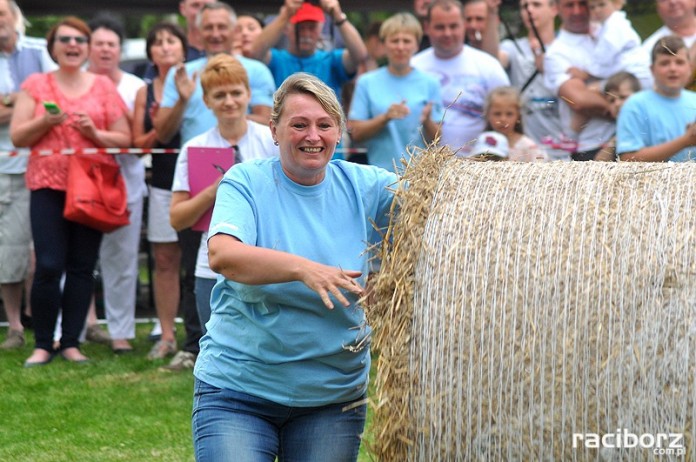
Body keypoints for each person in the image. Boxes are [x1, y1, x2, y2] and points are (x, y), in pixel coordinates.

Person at [192, 72, 396, 461]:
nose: (312, 136)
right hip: (239, 390)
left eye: (325, 125)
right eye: (298, 125)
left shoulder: (366, 186)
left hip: (331, 397)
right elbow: (222, 254)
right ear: (273, 129)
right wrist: (305, 269)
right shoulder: (246, 180)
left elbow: (437, 206)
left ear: (340, 132)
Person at [10, 16, 131, 366]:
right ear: (53, 46)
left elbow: (125, 139)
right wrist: (44, 122)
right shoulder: (36, 84)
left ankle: (72, 343)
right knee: (48, 264)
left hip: (91, 186)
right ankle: (43, 343)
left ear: (88, 46)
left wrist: (95, 132)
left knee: (82, 266)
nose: (73, 45)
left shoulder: (104, 86)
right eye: (65, 39)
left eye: (80, 39)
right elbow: (18, 137)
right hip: (48, 183)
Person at [169, 54, 277, 356]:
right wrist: (213, 192)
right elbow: (177, 219)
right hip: (211, 267)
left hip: (267, 256)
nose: (229, 101)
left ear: (248, 94)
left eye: (235, 93)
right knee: (218, 350)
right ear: (206, 101)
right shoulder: (194, 148)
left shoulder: (272, 142)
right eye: (220, 95)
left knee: (266, 348)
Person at [80, 16, 147, 353]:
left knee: (122, 261)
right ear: (88, 48)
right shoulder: (74, 82)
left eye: (111, 44)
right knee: (77, 259)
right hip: (79, 186)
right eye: (99, 43)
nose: (105, 50)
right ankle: (80, 327)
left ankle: (121, 332)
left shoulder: (135, 86)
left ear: (120, 50)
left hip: (125, 184)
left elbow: (137, 141)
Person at [0, 0, 55, 349]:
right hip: (5, 167)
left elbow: (53, 101)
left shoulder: (40, 51)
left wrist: (12, 103)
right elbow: (37, 105)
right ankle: (15, 325)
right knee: (8, 249)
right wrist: (23, 101)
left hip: (34, 166)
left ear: (16, 17)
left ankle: (32, 322)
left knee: (38, 251)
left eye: (2, 12)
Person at [132, 22, 188, 359]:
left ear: (184, 48)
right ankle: (166, 335)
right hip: (164, 181)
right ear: (151, 52)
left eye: (172, 41)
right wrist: (161, 127)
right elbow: (139, 143)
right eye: (158, 42)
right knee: (165, 259)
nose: (165, 47)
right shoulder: (145, 90)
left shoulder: (197, 79)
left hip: (201, 180)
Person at [155, 1, 275, 145]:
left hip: (245, 160)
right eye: (208, 28)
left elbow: (267, 122)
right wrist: (182, 101)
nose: (215, 34)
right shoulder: (181, 74)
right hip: (200, 159)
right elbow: (162, 135)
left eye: (222, 27)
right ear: (199, 33)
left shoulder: (257, 70)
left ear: (234, 30)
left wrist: (229, 117)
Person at [348, 12, 443, 171]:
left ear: (416, 45)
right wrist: (385, 118)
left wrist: (426, 120)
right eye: (394, 41)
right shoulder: (366, 82)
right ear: (384, 45)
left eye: (406, 41)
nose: (400, 47)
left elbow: (438, 139)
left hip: (420, 178)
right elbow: (355, 134)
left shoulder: (431, 83)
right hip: (378, 176)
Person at [412, 0, 509, 154]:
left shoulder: (488, 66)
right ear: (426, 27)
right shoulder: (413, 67)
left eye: (453, 26)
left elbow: (509, 115)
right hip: (423, 166)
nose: (447, 33)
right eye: (440, 27)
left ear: (464, 25)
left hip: (477, 165)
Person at [482, 0, 569, 159]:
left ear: (554, 9)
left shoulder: (566, 49)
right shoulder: (512, 47)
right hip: (523, 152)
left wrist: (551, 71)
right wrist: (492, 12)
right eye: (524, 6)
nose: (529, 10)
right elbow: (490, 60)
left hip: (560, 151)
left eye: (536, 5)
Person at [249, 0, 368, 99]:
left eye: (312, 28)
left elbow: (360, 55)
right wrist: (285, 15)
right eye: (300, 28)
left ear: (320, 29)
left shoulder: (331, 60)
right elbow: (255, 52)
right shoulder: (276, 59)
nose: (306, 33)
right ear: (286, 29)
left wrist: (338, 15)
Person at [543, 0, 613, 161]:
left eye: (582, 4)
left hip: (627, 139)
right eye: (569, 5)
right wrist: (625, 109)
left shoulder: (609, 37)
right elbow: (579, 101)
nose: (577, 11)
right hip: (590, 147)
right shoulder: (556, 53)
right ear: (557, 8)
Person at [617, 36, 696, 162]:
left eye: (679, 62)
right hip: (652, 181)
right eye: (665, 63)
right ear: (652, 70)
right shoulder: (635, 105)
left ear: (690, 68)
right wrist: (685, 141)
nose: (673, 69)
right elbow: (627, 159)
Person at [483, 86, 547, 161]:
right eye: (497, 114)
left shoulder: (527, 147)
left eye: (509, 114)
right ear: (488, 115)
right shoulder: (483, 142)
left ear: (518, 116)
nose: (503, 119)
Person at [594, 70, 641, 161]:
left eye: (623, 97)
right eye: (612, 100)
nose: (617, 104)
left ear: (639, 97)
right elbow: (597, 165)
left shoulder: (649, 123)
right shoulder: (614, 135)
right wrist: (614, 142)